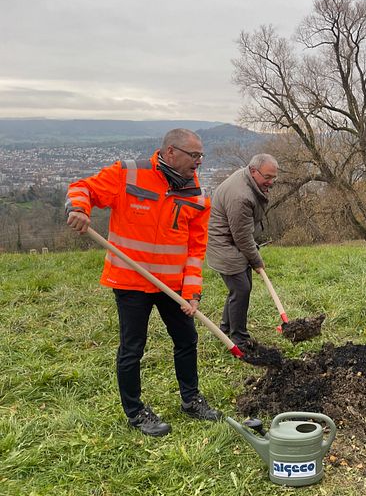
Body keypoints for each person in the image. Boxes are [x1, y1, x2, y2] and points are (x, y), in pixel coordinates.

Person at [66, 128, 221, 437]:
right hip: (131, 281)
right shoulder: (129, 174)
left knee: (187, 339)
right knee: (133, 347)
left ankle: (191, 400)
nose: (199, 162)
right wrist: (79, 209)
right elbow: (83, 188)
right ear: (171, 152)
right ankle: (135, 412)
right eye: (195, 155)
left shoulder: (197, 196)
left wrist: (192, 293)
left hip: (172, 285)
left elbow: (195, 250)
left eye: (202, 156)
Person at [206, 153, 278, 353]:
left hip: (233, 244)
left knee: (239, 288)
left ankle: (226, 328)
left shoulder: (248, 180)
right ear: (254, 171)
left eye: (274, 178)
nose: (271, 182)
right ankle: (239, 338)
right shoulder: (241, 196)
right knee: (242, 289)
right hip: (225, 247)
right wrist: (257, 261)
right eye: (268, 177)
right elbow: (243, 237)